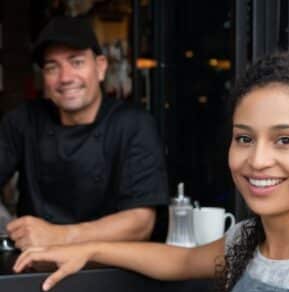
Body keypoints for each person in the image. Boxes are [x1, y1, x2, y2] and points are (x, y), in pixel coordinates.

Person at [14, 49, 289, 292]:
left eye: (286, 140)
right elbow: (183, 260)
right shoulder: (248, 239)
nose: (258, 160)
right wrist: (89, 250)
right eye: (244, 139)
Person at [0, 16, 168, 250]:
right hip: (36, 270)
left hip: (112, 274)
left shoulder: (133, 124)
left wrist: (58, 236)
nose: (65, 77)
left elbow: (140, 223)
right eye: (52, 67)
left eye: (76, 62)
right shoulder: (24, 120)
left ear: (100, 67)